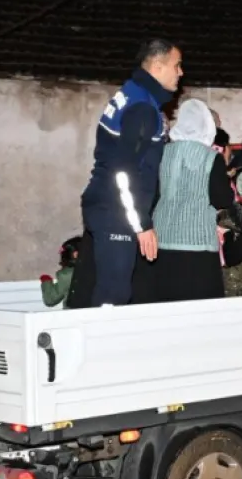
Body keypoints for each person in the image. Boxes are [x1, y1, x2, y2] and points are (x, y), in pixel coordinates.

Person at [71, 39, 182, 308]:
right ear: (157, 66)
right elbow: (123, 172)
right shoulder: (142, 108)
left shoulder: (133, 94)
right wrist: (141, 224)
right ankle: (101, 348)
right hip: (115, 210)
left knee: (111, 288)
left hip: (109, 206)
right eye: (177, 65)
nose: (181, 73)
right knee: (113, 295)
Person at [133, 99, 237, 304]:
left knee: (168, 309)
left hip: (162, 241)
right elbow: (222, 199)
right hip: (197, 245)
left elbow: (150, 194)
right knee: (199, 313)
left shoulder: (162, 153)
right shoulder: (211, 157)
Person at [39, 236, 81, 307]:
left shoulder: (68, 275)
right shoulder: (96, 270)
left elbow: (50, 299)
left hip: (73, 315)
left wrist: (46, 282)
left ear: (75, 255)